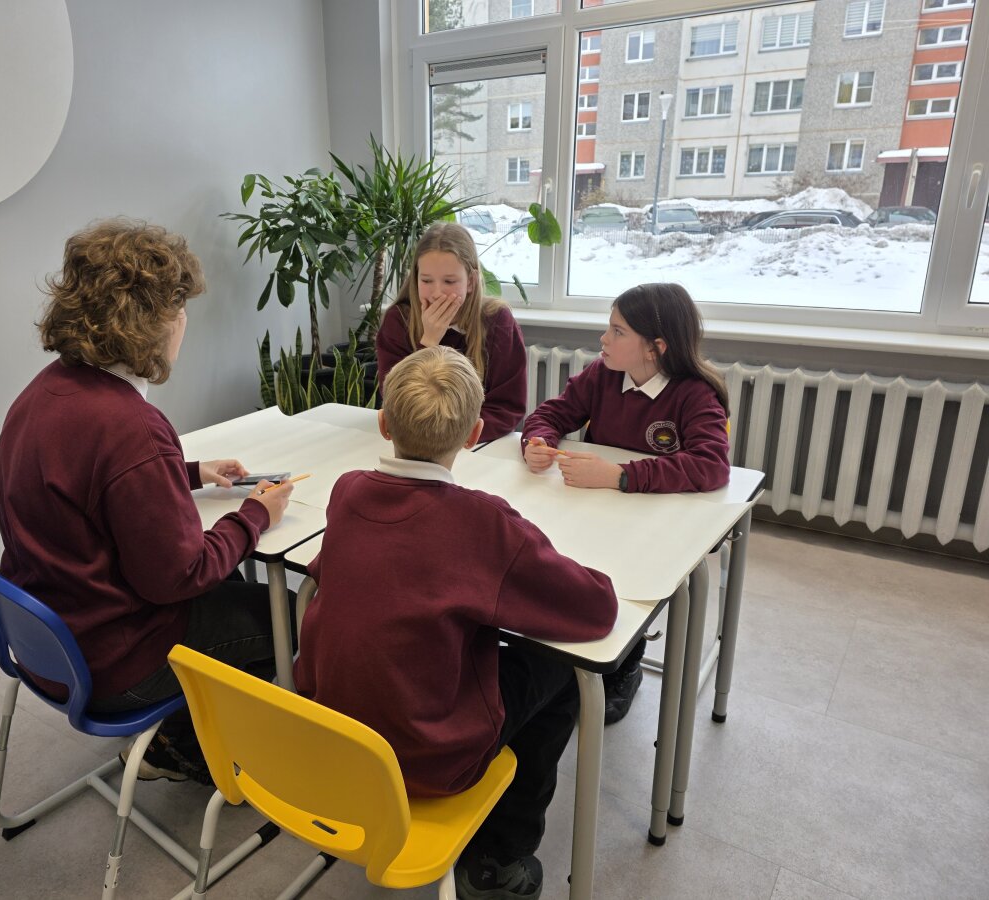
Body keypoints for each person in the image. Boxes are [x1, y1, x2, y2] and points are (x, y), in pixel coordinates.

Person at [294, 346, 618, 900]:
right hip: (429, 760)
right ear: (474, 434)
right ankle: (500, 857)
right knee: (563, 671)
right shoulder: (482, 521)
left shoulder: (347, 490)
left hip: (333, 741)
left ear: (383, 424)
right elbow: (595, 609)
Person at [0, 218, 293, 783]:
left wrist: (187, 472)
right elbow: (180, 576)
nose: (184, 320)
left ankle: (193, 729)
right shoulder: (130, 426)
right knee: (289, 617)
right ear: (153, 321)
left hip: (49, 641)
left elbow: (89, 486)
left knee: (234, 584)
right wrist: (255, 515)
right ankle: (183, 749)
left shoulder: (41, 394)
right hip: (115, 662)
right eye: (179, 306)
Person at [521, 282, 730, 724]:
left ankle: (626, 662)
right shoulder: (603, 374)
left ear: (655, 348)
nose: (604, 339)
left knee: (626, 574)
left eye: (617, 331)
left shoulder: (694, 393)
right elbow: (551, 414)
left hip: (656, 521)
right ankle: (572, 648)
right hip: (599, 509)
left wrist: (620, 475)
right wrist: (536, 441)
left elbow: (712, 465)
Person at [375, 222, 527, 441]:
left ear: (470, 282)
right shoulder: (398, 320)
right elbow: (397, 403)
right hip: (417, 443)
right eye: (426, 280)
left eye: (449, 281)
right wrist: (429, 343)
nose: (437, 292)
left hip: (474, 442)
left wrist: (451, 437)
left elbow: (507, 408)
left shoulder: (498, 321)